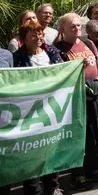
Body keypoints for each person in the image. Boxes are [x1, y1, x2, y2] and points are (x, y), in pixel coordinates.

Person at [54, 13, 98, 190]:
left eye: (78, 25)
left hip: (95, 93)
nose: (77, 28)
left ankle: (93, 169)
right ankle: (77, 175)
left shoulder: (88, 43)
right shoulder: (59, 49)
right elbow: (61, 75)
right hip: (76, 100)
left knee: (96, 135)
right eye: (72, 26)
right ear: (62, 29)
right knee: (80, 138)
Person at [13, 19, 66, 195]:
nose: (39, 37)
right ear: (24, 39)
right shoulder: (18, 58)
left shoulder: (52, 52)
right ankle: (33, 190)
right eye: (33, 34)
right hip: (29, 113)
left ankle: (53, 187)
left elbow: (65, 72)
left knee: (50, 149)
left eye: (40, 33)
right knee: (32, 153)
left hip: (51, 110)